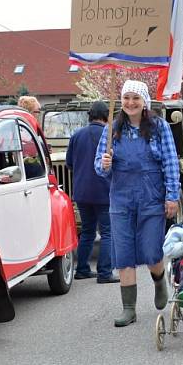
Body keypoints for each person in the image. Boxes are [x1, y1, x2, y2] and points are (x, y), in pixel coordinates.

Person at [95, 80, 179, 327]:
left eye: (136, 98)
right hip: (121, 198)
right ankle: (128, 308)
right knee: (123, 253)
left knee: (152, 250)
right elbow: (98, 168)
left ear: (144, 102)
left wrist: (172, 196)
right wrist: (104, 165)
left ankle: (159, 280)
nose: (130, 103)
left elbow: (171, 162)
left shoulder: (159, 127)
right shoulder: (111, 130)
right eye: (126, 98)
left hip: (151, 194)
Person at [66, 101, 117, 283]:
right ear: (106, 116)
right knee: (107, 232)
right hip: (104, 190)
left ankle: (82, 269)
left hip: (81, 191)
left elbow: (69, 163)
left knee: (87, 231)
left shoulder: (76, 135)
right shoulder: (109, 135)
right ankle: (104, 272)